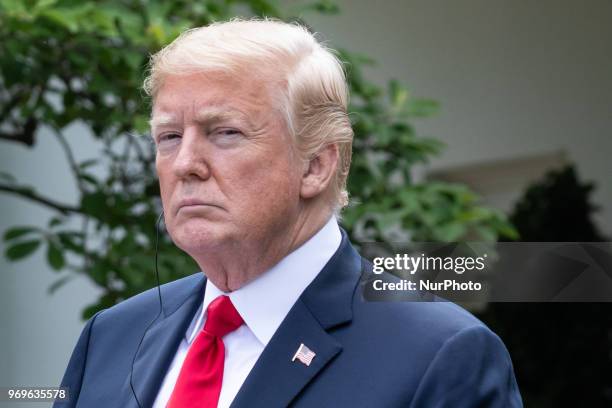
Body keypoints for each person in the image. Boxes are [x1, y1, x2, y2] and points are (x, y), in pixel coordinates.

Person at [55, 19, 522, 408]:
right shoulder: (110, 337)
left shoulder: (440, 353)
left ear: (316, 165)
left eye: (226, 132)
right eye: (169, 137)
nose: (184, 165)